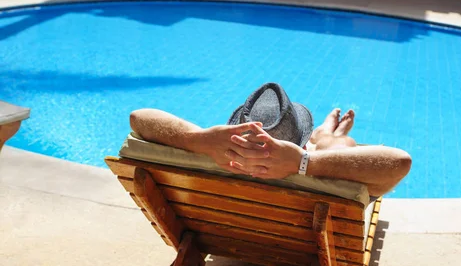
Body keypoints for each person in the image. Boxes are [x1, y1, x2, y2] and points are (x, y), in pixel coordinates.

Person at [129, 83, 411, 197]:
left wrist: (200, 140)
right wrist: (303, 163)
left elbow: (139, 117)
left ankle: (327, 131)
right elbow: (399, 162)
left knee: (325, 144)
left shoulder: (211, 156)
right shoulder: (310, 174)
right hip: (308, 167)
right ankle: (329, 134)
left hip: (218, 226)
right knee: (334, 146)